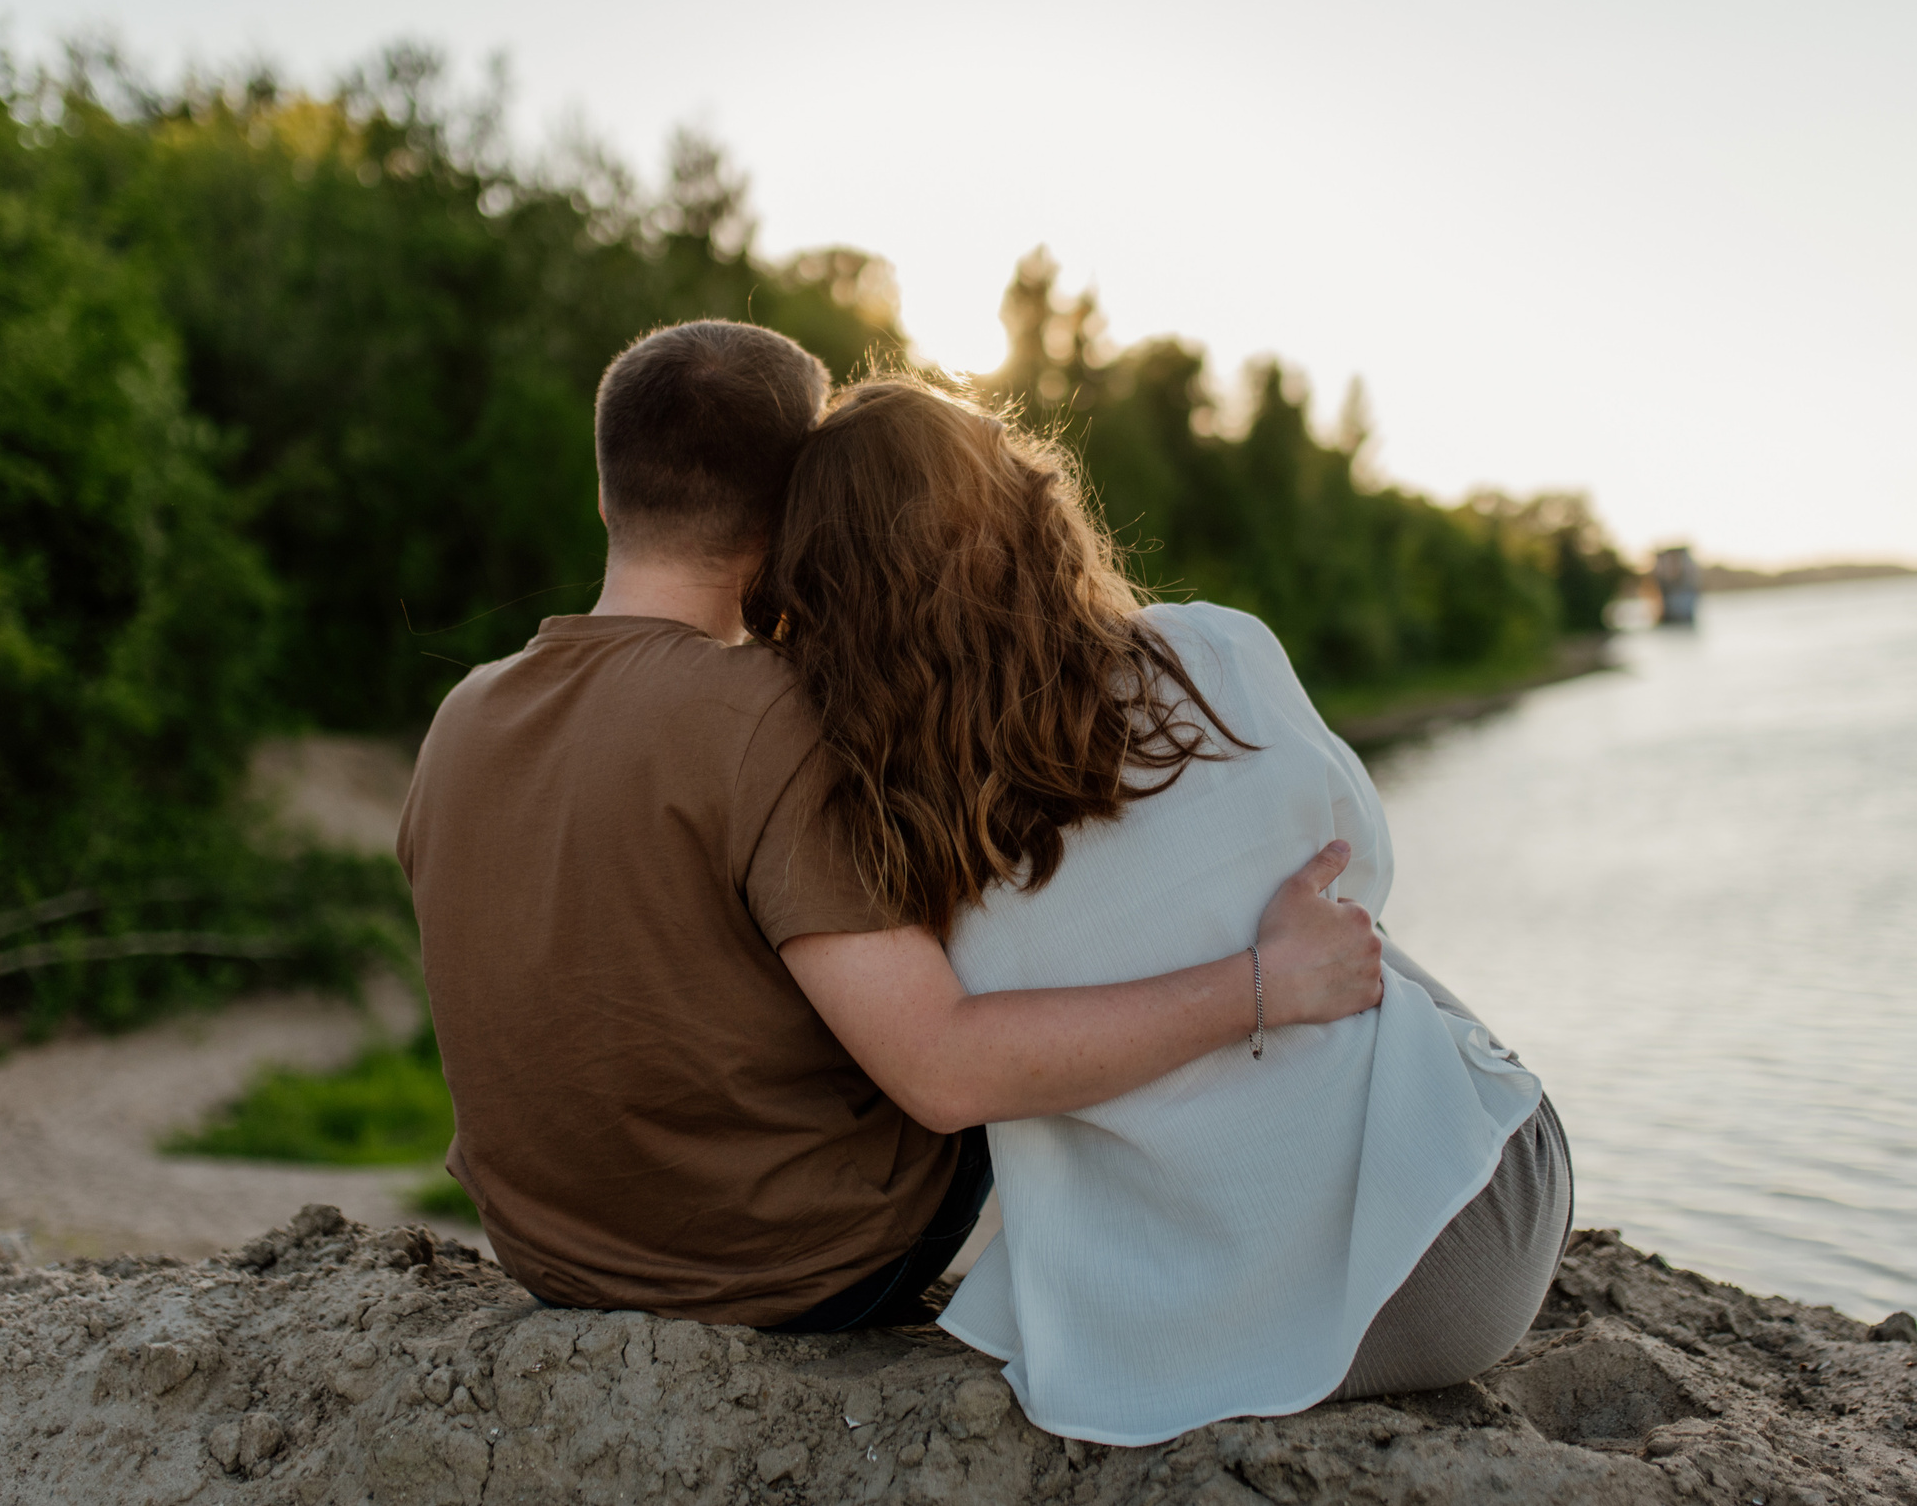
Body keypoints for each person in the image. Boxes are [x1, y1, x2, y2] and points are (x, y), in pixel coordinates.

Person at [397, 321, 1384, 1332]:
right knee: (1034, 955)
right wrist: (1262, 982)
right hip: (789, 1273)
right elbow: (945, 1074)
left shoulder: (463, 714)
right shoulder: (773, 713)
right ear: (795, 509)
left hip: (550, 1256)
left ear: (607, 495)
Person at [748, 372, 1574, 1442]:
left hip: (1186, 1322)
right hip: (1476, 1245)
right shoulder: (1209, 649)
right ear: (1028, 516)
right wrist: (1259, 962)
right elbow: (1362, 867)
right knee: (1327, 912)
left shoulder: (877, 826)